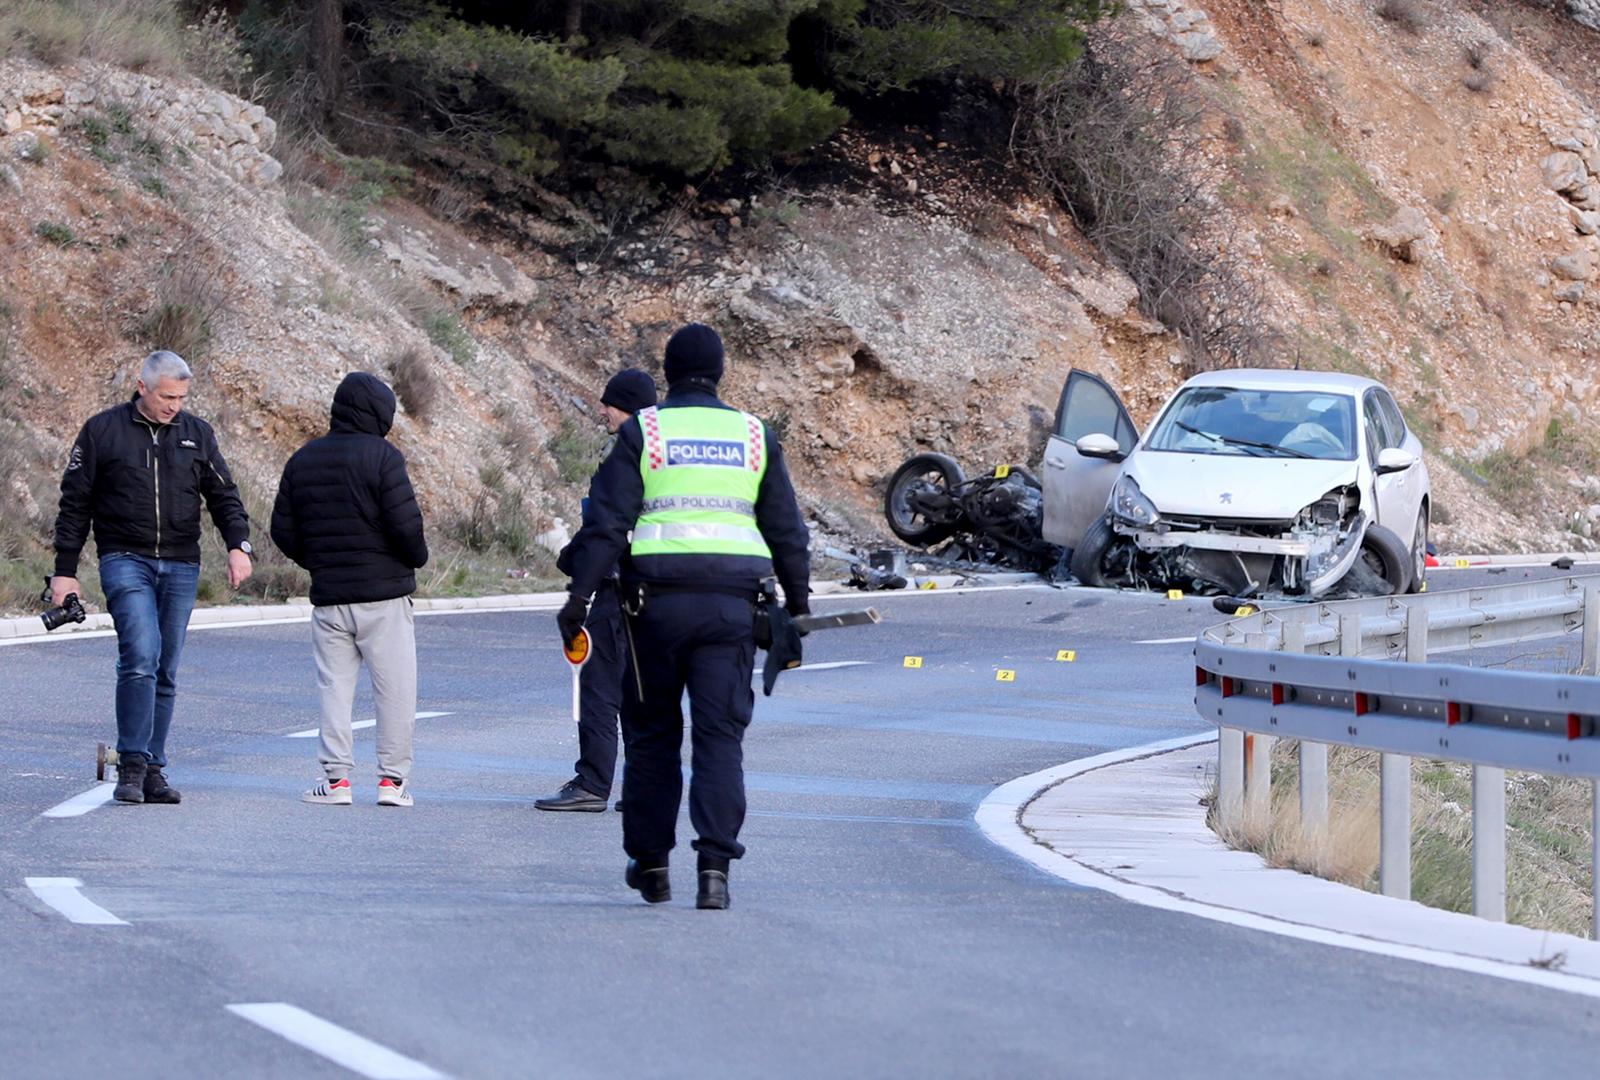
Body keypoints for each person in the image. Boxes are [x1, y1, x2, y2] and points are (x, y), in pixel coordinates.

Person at [559, 323, 810, 909]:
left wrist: (578, 599)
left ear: (667, 372)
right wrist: (798, 610)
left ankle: (650, 865)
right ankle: (715, 870)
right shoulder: (753, 435)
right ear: (720, 371)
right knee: (720, 738)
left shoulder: (645, 430)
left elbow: (607, 526)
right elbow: (786, 531)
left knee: (652, 737)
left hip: (654, 611)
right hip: (732, 610)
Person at [51, 350, 254, 805]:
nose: (174, 406)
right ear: (142, 387)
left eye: (181, 398)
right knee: (141, 654)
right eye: (167, 396)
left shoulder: (197, 434)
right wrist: (65, 572)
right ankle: (132, 763)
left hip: (182, 563)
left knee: (165, 667)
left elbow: (224, 494)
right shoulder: (103, 431)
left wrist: (238, 545)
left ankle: (154, 769)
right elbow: (74, 504)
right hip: (125, 558)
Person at [270, 372, 429, 808]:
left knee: (334, 690)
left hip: (331, 599)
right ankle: (392, 783)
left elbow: (282, 529)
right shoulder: (383, 458)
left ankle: (336, 782)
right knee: (395, 690)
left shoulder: (303, 460)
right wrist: (414, 557)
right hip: (384, 597)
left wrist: (320, 561)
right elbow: (406, 526)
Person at [540, 368, 658, 812]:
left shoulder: (624, 457)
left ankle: (592, 783)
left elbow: (607, 528)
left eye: (608, 402)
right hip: (656, 591)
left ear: (626, 407)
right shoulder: (663, 457)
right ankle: (643, 787)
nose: (601, 409)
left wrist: (578, 578)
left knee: (600, 688)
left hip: (616, 590)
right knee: (641, 695)